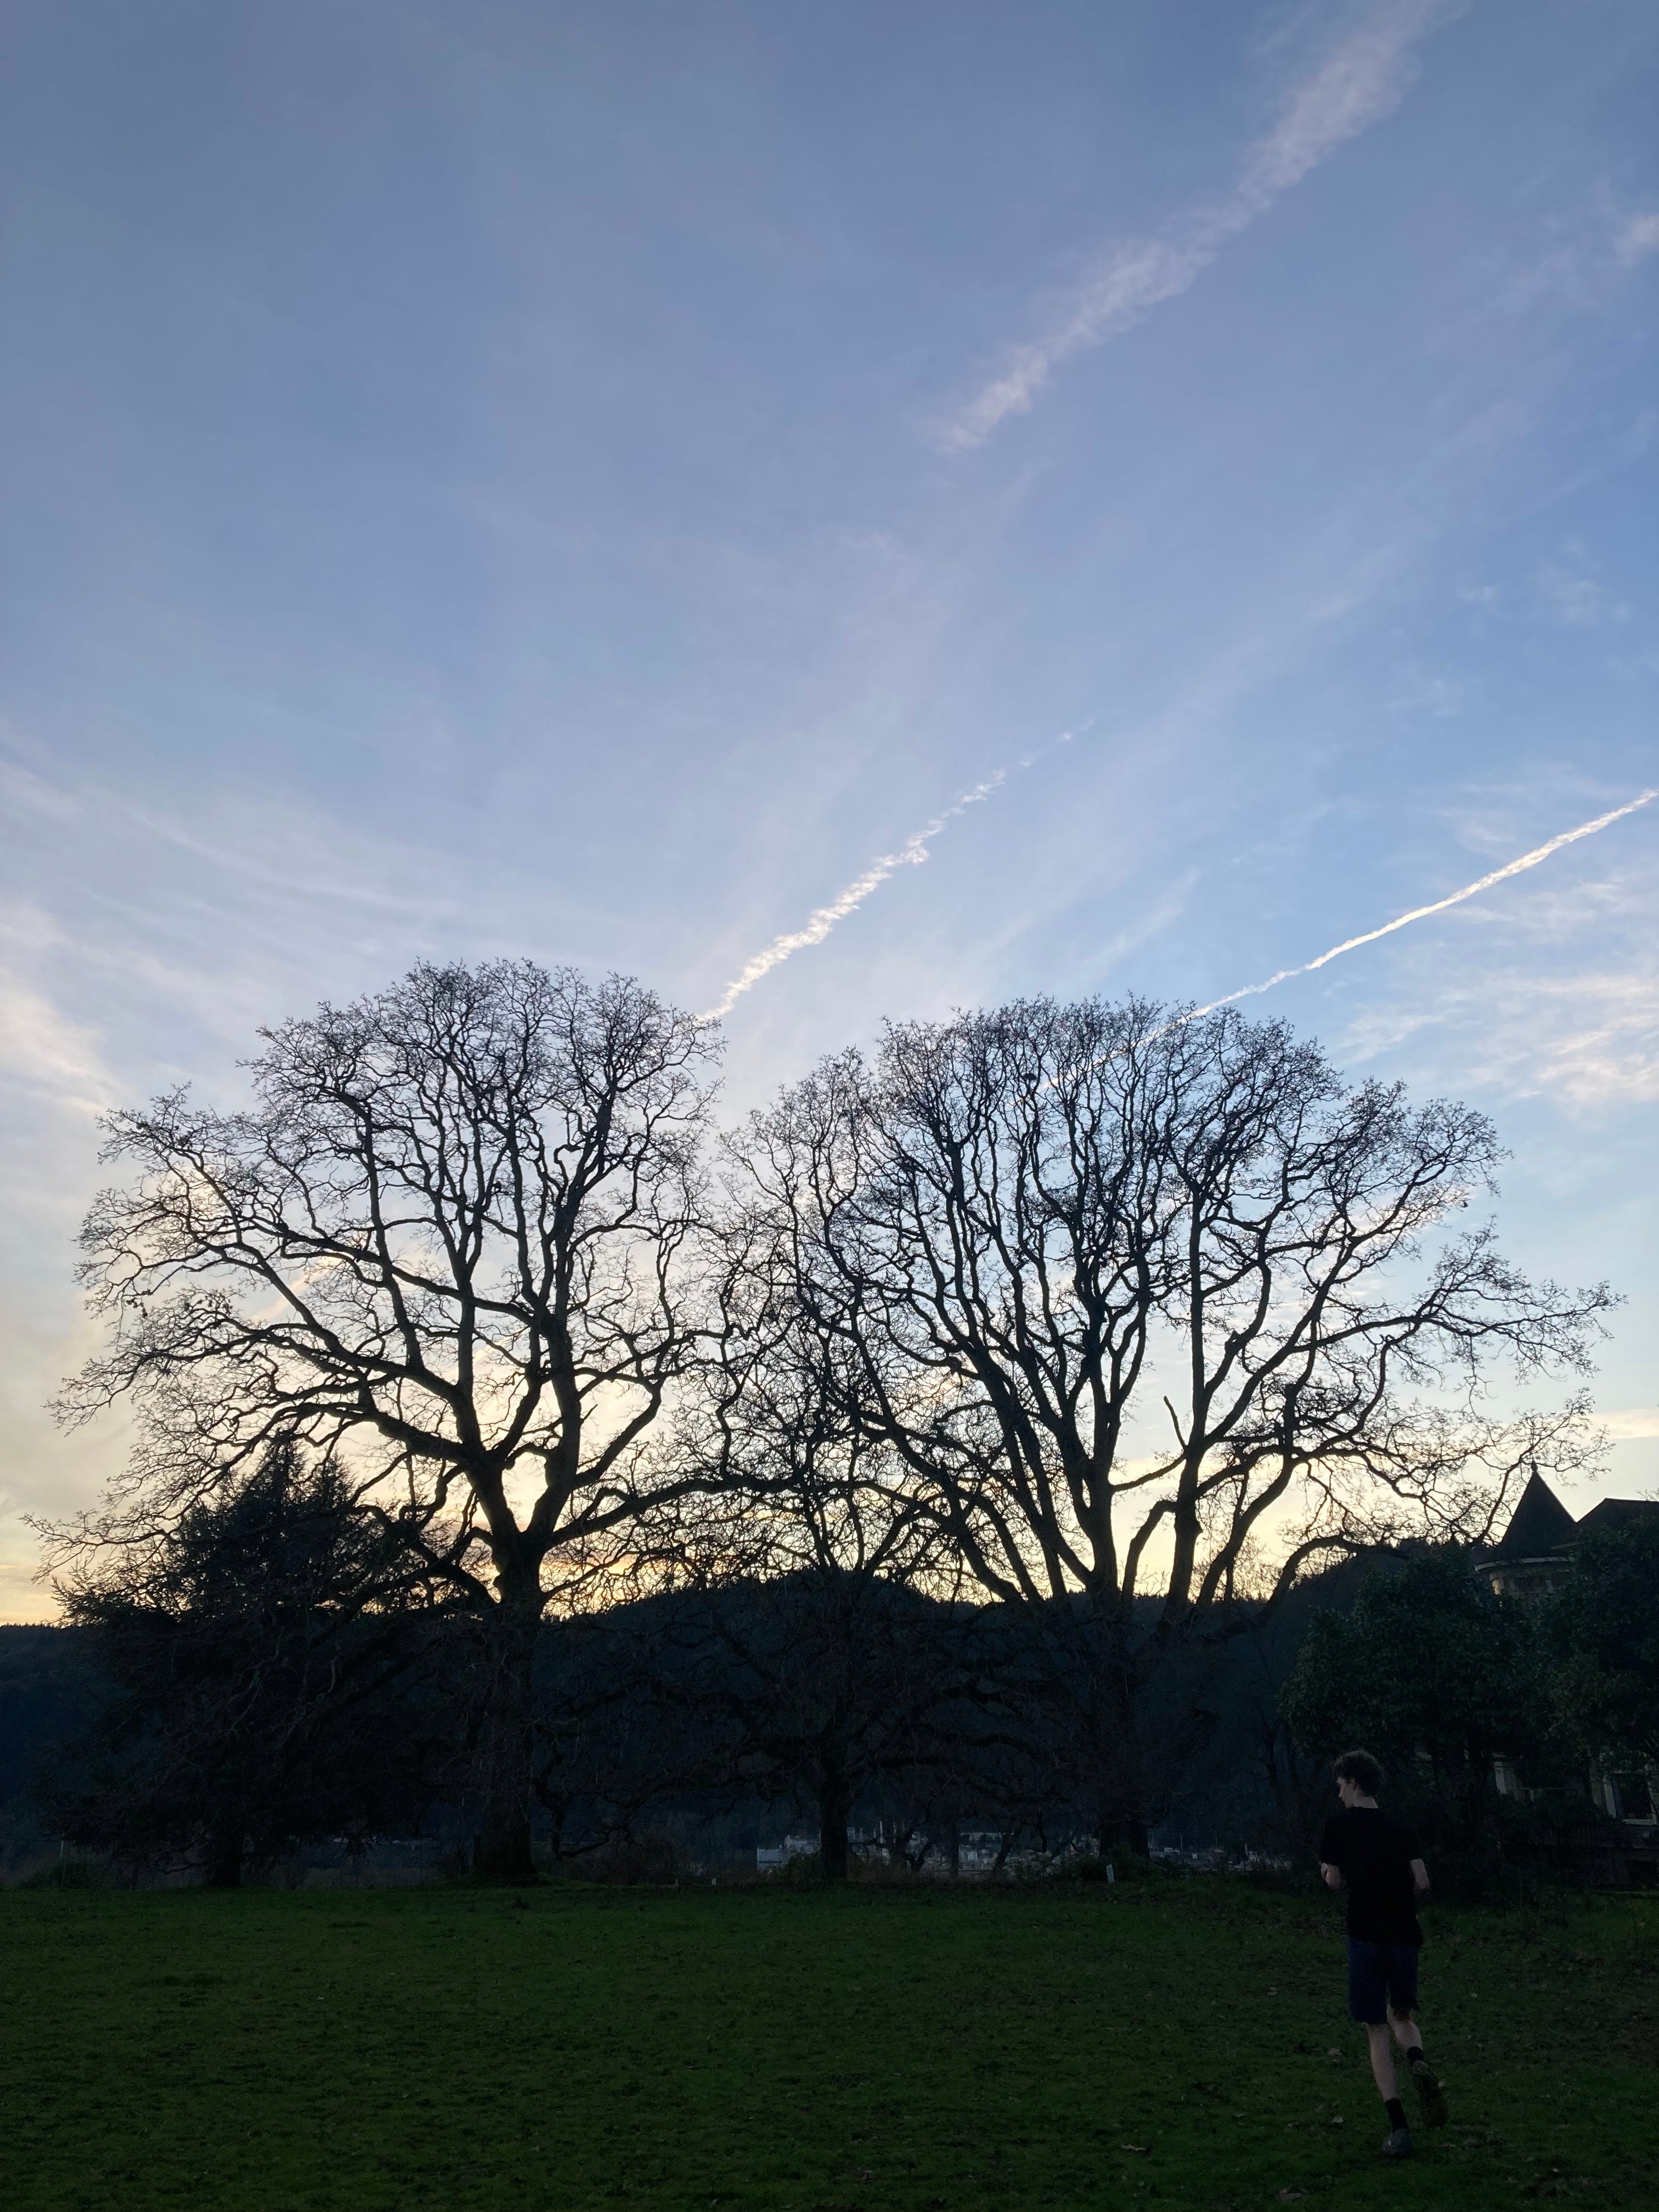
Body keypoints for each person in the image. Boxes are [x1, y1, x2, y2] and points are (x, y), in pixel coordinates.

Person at [1318, 1750, 1449, 2159]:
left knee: (1376, 2029)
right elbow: (1422, 1881)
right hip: (1405, 1935)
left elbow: (1334, 1882)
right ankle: (1417, 2058)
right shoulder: (1401, 1828)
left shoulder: (1338, 1826)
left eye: (1341, 1786)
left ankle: (1399, 2127)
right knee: (1403, 2017)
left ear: (1354, 1784)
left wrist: (1326, 1871)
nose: (1339, 1794)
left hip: (1366, 1936)